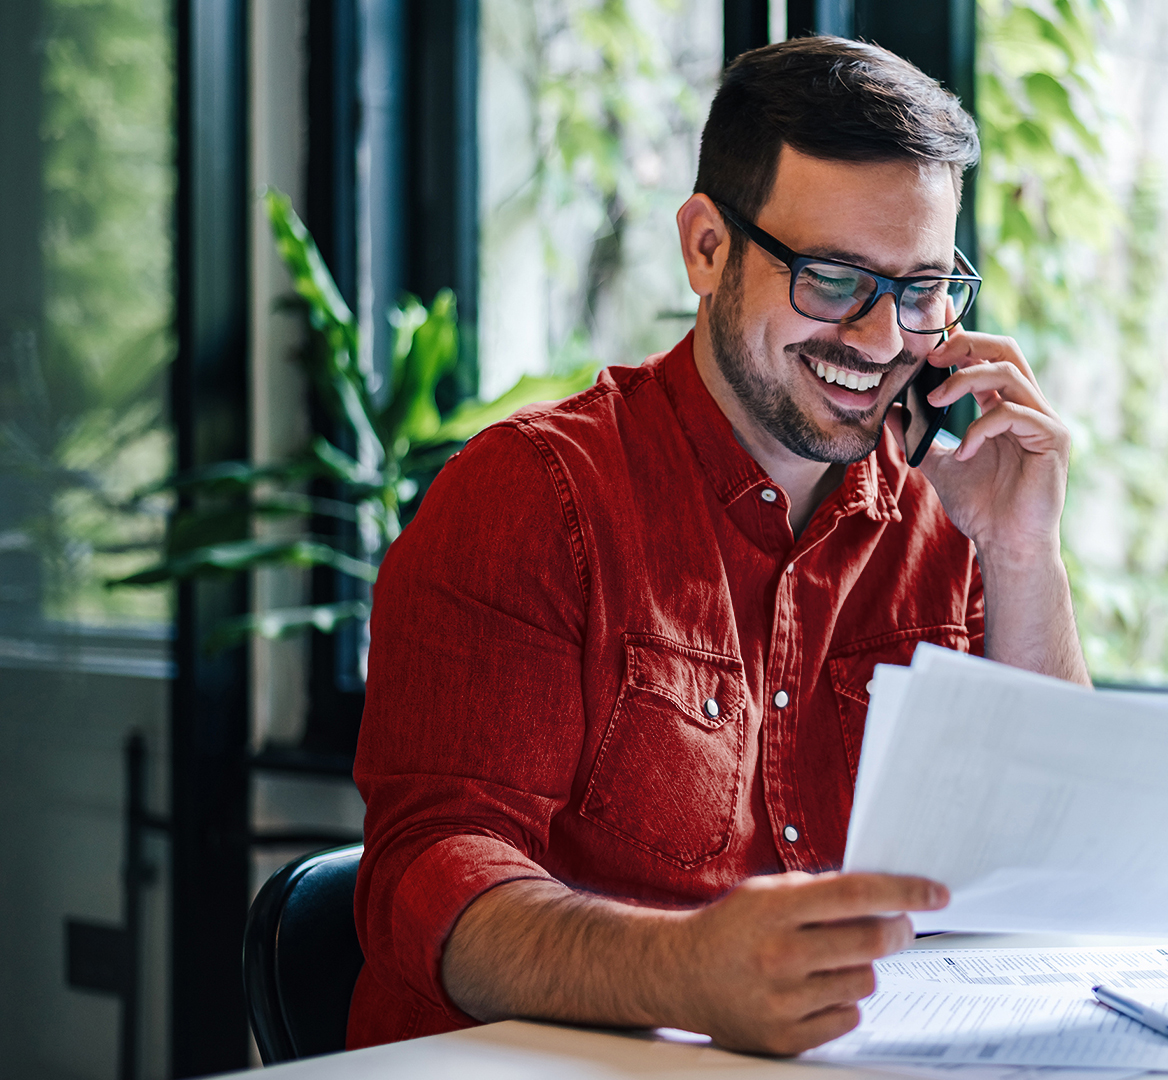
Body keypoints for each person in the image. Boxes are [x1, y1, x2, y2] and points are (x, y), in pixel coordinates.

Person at [347, 36, 1088, 1056]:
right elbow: (429, 875)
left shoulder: (947, 511)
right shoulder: (532, 496)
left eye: (921, 290)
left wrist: (1021, 554)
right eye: (834, 280)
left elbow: (1052, 863)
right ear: (706, 248)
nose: (881, 343)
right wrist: (685, 972)